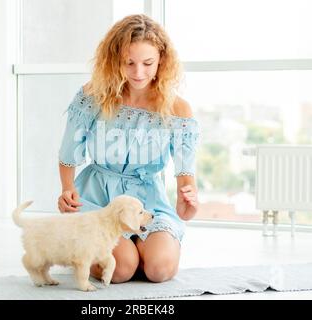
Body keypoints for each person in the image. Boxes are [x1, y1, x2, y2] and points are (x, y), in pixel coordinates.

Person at [57, 14, 200, 283]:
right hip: (98, 198)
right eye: (128, 63)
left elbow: (186, 188)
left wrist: (188, 206)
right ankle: (80, 247)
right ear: (115, 61)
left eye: (148, 63)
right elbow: (68, 155)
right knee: (121, 269)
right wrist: (67, 190)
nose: (138, 73)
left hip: (149, 202)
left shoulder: (178, 109)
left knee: (159, 270)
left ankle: (133, 247)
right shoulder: (93, 96)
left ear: (161, 61)